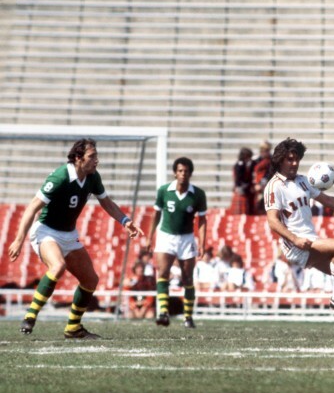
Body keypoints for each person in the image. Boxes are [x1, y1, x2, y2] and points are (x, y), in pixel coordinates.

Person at [8, 138, 143, 339]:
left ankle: (73, 328)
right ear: (78, 158)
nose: (96, 160)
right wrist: (19, 239)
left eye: (96, 156)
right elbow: (32, 207)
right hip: (46, 231)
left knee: (90, 280)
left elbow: (106, 202)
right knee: (57, 266)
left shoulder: (93, 177)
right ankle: (30, 315)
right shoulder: (61, 176)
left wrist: (125, 220)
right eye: (92, 156)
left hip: (69, 235)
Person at [264, 138, 334, 316]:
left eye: (297, 159)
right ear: (280, 160)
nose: (295, 163)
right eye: (290, 159)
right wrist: (295, 239)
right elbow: (273, 221)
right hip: (296, 246)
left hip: (311, 241)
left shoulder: (303, 181)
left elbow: (327, 200)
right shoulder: (274, 186)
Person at [145, 157, 207, 329]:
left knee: (188, 278)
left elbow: (202, 220)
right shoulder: (164, 190)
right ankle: (163, 313)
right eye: (180, 171)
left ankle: (188, 317)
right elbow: (156, 214)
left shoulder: (198, 194)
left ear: (190, 173)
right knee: (163, 273)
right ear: (175, 172)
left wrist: (202, 242)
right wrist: (149, 237)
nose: (183, 174)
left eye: (186, 171)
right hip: (166, 236)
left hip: (187, 238)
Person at [230, 147, 255, 215]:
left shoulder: (245, 164)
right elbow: (238, 178)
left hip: (244, 188)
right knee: (239, 211)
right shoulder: (239, 165)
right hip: (240, 189)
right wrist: (242, 186)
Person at [253, 141, 273, 215]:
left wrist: (262, 183)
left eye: (267, 150)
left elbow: (270, 172)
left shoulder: (272, 160)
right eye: (263, 150)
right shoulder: (256, 159)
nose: (265, 152)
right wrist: (256, 183)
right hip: (257, 183)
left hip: (267, 183)